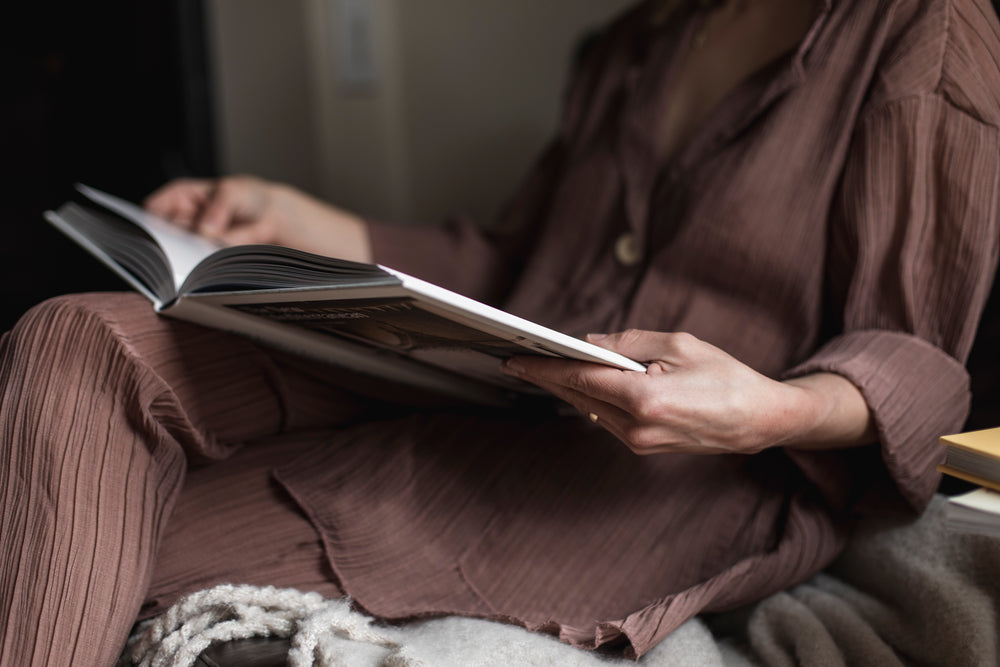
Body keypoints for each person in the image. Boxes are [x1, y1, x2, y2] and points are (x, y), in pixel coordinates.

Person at [3, 0, 1000, 664]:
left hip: (667, 474)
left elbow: (920, 356)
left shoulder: (927, 32)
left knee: (86, 535)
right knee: (72, 339)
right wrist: (301, 222)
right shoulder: (642, 37)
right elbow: (523, 254)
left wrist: (765, 409)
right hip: (505, 370)